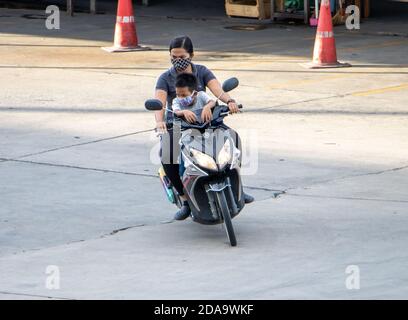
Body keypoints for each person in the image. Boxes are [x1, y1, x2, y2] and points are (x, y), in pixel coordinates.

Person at [155, 35, 254, 221]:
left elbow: (218, 91)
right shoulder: (165, 78)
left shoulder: (202, 71)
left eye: (181, 56)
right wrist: (160, 122)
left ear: (191, 55)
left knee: (233, 137)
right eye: (173, 57)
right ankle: (185, 200)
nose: (177, 61)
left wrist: (230, 102)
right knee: (167, 155)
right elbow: (160, 104)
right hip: (178, 125)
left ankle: (237, 186)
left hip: (207, 122)